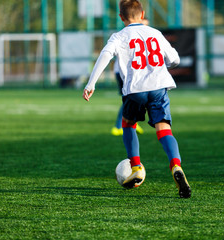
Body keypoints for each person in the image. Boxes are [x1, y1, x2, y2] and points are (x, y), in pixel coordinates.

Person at [82, 0, 191, 198]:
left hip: (135, 89)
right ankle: (176, 166)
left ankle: (136, 167)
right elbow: (175, 59)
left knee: (128, 124)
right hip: (159, 87)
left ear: (121, 17)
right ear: (142, 14)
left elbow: (105, 55)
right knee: (164, 129)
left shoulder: (119, 36)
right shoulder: (155, 33)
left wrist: (91, 84)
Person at [110, 19, 149, 137]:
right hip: (124, 72)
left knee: (135, 98)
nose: (145, 27)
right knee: (129, 98)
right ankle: (118, 126)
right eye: (143, 24)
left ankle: (132, 122)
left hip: (132, 72)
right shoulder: (128, 34)